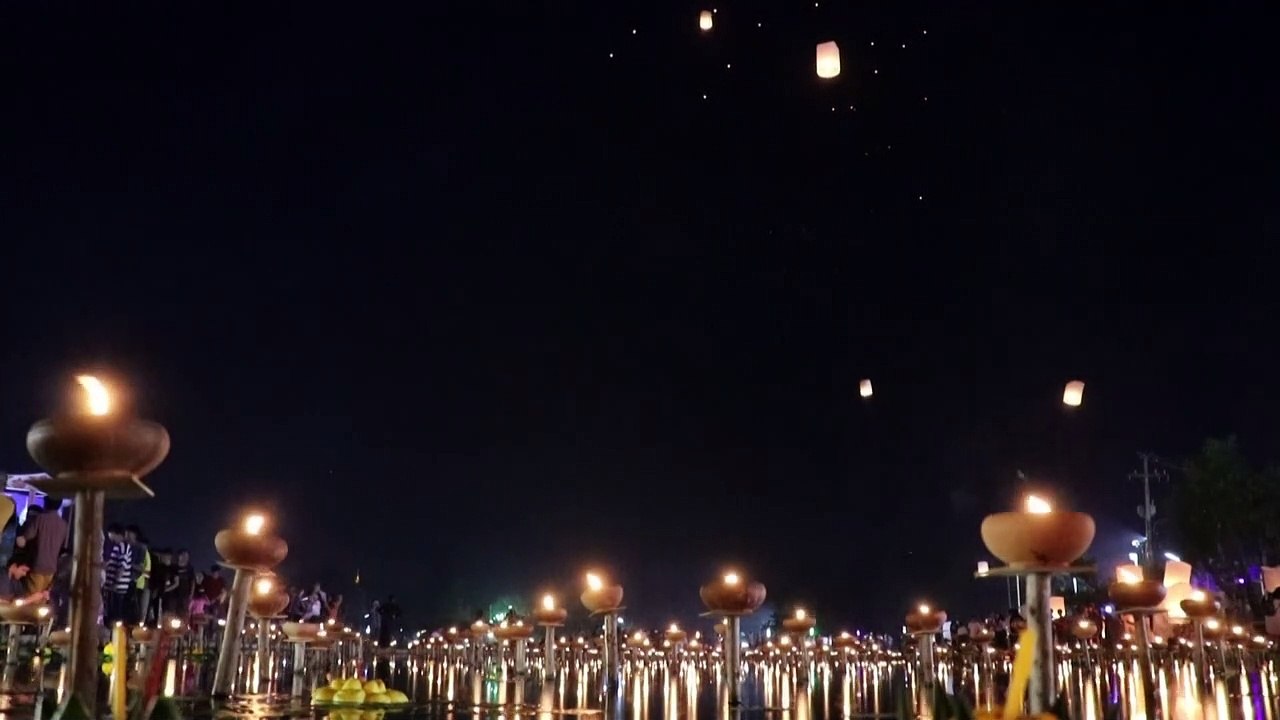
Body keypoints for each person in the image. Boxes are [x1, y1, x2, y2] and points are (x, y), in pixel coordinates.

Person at [102, 524, 134, 625]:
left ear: (117, 534)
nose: (110, 539)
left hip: (117, 587)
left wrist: (115, 582)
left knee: (115, 613)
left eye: (111, 536)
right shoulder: (118, 546)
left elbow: (122, 566)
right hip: (113, 586)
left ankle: (115, 634)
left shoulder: (123, 546)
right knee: (112, 612)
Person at [125, 525, 149, 624]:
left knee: (132, 605)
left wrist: (127, 563)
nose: (126, 536)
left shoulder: (140, 548)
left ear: (134, 534)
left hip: (134, 581)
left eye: (129, 533)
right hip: (121, 581)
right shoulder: (124, 545)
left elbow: (141, 568)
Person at [162, 549, 193, 617]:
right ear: (179, 556)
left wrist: (191, 594)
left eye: (187, 556)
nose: (186, 558)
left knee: (183, 612)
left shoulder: (189, 568)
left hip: (185, 594)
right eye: (184, 555)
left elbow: (192, 582)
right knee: (171, 611)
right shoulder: (173, 567)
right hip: (173, 594)